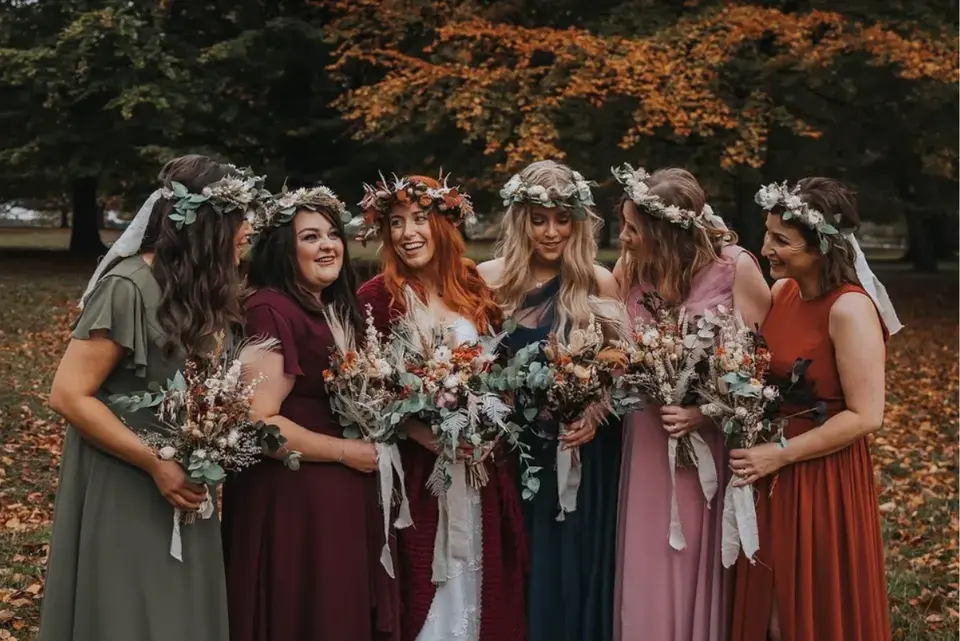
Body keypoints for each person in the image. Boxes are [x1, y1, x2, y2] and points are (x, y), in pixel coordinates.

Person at [40, 155, 263, 641]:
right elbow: (68, 394)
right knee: (131, 609)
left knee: (178, 611)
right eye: (241, 218)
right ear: (207, 221)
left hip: (187, 479)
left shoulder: (204, 291)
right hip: (126, 479)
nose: (250, 229)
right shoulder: (128, 287)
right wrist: (155, 463)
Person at [221, 186, 400, 641]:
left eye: (332, 234)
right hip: (293, 501)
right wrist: (346, 452)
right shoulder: (269, 309)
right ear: (285, 248)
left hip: (338, 498)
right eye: (310, 237)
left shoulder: (336, 308)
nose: (327, 245)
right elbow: (260, 423)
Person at [355, 173, 526, 641]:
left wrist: (489, 429)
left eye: (419, 219)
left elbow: (502, 369)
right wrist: (423, 433)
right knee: (423, 585)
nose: (407, 233)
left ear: (444, 224)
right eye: (395, 222)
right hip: (418, 471)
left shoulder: (473, 288)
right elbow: (368, 389)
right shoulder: (377, 298)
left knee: (482, 583)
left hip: (479, 467)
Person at [730, 178, 897, 641]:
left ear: (822, 245)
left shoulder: (848, 309)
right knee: (770, 607)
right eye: (767, 234)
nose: (766, 249)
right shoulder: (782, 293)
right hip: (771, 468)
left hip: (819, 473)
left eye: (782, 240)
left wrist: (779, 454)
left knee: (801, 609)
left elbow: (866, 415)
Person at [611, 165, 771, 641]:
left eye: (633, 228)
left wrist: (704, 410)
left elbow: (759, 368)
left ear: (664, 235)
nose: (623, 236)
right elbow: (615, 343)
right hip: (645, 430)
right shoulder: (634, 266)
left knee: (695, 548)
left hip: (706, 436)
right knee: (647, 551)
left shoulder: (735, 268)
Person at [477, 159, 622, 641]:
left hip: (578, 453)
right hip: (510, 451)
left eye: (562, 219)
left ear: (578, 222)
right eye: (539, 219)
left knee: (569, 572)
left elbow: (622, 369)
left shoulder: (598, 282)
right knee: (515, 567)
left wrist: (596, 413)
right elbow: (470, 367)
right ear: (521, 220)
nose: (551, 231)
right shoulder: (488, 281)